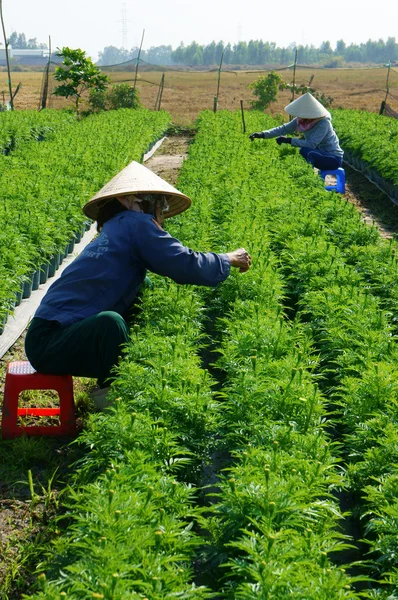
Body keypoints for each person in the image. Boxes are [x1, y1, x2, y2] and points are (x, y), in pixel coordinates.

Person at [25, 160, 251, 408]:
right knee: (109, 324)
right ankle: (111, 403)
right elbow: (184, 263)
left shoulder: (115, 228)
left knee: (142, 289)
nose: (159, 211)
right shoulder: (135, 224)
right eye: (155, 202)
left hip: (47, 337)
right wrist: (227, 259)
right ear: (129, 200)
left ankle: (116, 388)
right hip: (49, 342)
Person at [249, 92, 343, 171]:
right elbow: (284, 129)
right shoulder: (301, 121)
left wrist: (289, 140)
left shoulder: (323, 123)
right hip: (319, 154)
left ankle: (309, 173)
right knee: (304, 152)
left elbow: (311, 144)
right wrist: (262, 134)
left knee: (306, 151)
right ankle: (310, 172)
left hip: (333, 158)